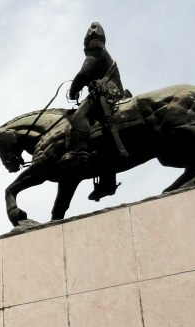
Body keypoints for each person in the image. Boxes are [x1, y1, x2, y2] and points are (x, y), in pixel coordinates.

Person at [60, 21, 127, 202]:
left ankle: (80, 152)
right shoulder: (103, 53)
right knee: (102, 134)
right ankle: (107, 182)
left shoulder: (95, 52)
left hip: (106, 93)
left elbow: (83, 73)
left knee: (78, 116)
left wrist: (73, 90)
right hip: (110, 92)